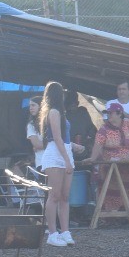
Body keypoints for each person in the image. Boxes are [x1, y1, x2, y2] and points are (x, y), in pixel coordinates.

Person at [34, 82, 75, 247]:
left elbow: (63, 138)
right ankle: (52, 233)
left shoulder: (59, 112)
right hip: (55, 154)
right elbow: (56, 137)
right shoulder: (53, 112)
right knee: (55, 195)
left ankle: (65, 231)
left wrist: (72, 148)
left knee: (65, 196)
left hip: (65, 151)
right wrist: (66, 160)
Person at [89, 102, 129, 224]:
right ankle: (110, 218)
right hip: (108, 168)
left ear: (119, 114)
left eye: (110, 113)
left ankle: (128, 217)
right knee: (109, 191)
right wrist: (92, 158)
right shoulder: (103, 129)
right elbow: (98, 145)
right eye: (107, 113)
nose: (108, 115)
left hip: (127, 167)